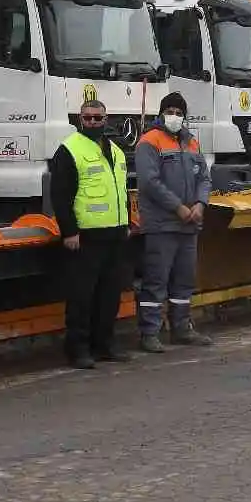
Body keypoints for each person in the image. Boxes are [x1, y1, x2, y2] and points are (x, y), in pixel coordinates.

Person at [51, 99, 131, 368]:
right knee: (82, 297)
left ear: (106, 119)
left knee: (109, 296)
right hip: (85, 237)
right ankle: (78, 349)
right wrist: (69, 231)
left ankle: (104, 345)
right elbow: (60, 196)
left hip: (115, 234)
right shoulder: (69, 150)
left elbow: (120, 192)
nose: (94, 123)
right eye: (88, 118)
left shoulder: (116, 151)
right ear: (80, 120)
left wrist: (126, 224)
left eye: (98, 118)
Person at [134, 92, 214, 353]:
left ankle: (181, 327)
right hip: (162, 224)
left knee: (184, 279)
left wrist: (200, 204)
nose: (175, 116)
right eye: (170, 111)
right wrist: (178, 207)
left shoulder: (191, 142)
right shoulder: (149, 141)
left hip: (189, 224)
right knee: (156, 280)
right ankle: (149, 332)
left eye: (179, 113)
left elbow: (204, 177)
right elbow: (150, 182)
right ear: (161, 113)